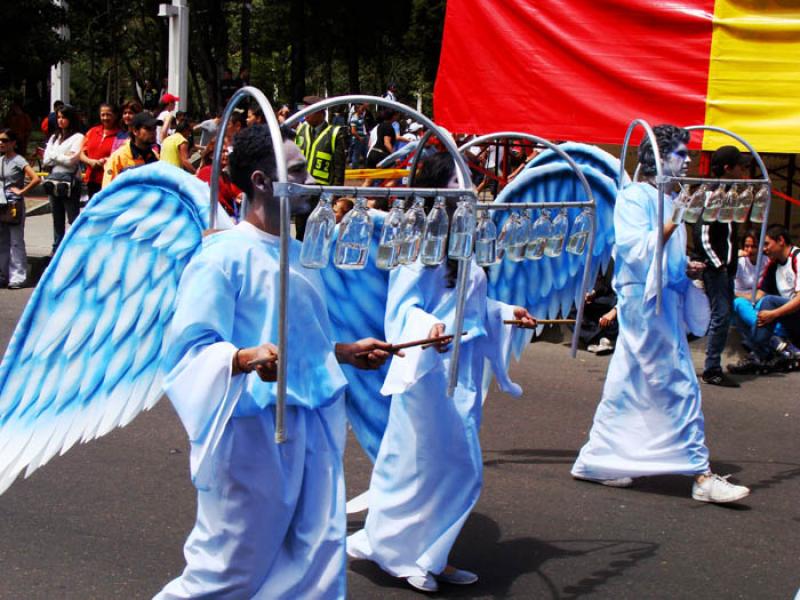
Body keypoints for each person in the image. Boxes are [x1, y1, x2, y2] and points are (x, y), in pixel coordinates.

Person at [155, 124, 393, 599]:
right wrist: (243, 358)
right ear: (262, 180)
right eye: (299, 170)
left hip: (315, 425)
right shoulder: (221, 257)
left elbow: (300, 342)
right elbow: (188, 351)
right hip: (254, 431)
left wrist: (345, 353)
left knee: (316, 558)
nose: (310, 181)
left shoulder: (300, 253)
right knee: (229, 567)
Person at [346, 152, 537, 593]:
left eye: (465, 179)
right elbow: (401, 312)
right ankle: (398, 552)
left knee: (443, 466)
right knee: (434, 464)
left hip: (461, 371)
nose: (464, 188)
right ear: (433, 190)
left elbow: (469, 307)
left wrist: (505, 312)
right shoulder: (417, 246)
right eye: (453, 181)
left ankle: (432, 553)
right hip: (428, 372)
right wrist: (425, 327)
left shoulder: (463, 238)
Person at [571, 124, 750, 504]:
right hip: (644, 304)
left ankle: (597, 460)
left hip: (663, 299)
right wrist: (676, 220)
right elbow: (636, 250)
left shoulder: (668, 199)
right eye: (681, 154)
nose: (686, 161)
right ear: (661, 158)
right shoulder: (634, 196)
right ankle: (700, 474)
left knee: (628, 381)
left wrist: (685, 268)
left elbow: (664, 254)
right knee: (679, 381)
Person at [691, 146, 750, 387]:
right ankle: (711, 368)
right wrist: (718, 264)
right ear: (728, 168)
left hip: (724, 267)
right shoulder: (712, 193)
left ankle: (710, 365)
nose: (744, 172)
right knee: (721, 314)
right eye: (740, 167)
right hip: (716, 268)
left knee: (722, 315)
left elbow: (728, 234)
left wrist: (730, 264)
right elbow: (701, 232)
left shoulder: (728, 193)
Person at [729, 224, 800, 373]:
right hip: (786, 317)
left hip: (794, 316)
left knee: (768, 302)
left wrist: (774, 314)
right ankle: (777, 346)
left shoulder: (797, 258)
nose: (764, 249)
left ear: (780, 240)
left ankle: (759, 353)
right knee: (740, 304)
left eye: (766, 244)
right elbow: (759, 294)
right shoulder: (774, 265)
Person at [294, 95, 346, 239]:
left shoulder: (334, 133)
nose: (305, 115)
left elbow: (339, 167)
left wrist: (336, 193)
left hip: (321, 193)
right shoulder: (301, 130)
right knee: (300, 231)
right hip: (302, 188)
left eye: (309, 111)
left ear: (321, 112)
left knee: (318, 233)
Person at [0, 129, 40, 289]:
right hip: (1, 203)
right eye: (0, 140)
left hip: (14, 204)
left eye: (5, 140)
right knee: (2, 241)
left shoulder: (19, 160)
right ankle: (3, 274)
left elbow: (36, 178)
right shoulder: (1, 160)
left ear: (13, 143)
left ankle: (18, 276)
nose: (2, 143)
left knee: (15, 241)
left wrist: (22, 191)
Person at [42, 104, 85, 253]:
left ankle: (75, 248)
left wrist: (54, 156)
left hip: (70, 183)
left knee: (73, 217)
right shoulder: (54, 137)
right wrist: (59, 156)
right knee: (57, 218)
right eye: (59, 117)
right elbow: (46, 160)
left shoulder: (78, 137)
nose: (60, 120)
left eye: (64, 117)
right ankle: (57, 248)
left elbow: (72, 160)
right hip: (53, 181)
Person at [102, 111, 160, 187]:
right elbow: (107, 191)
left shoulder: (155, 156)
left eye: (154, 128)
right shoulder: (118, 158)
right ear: (135, 131)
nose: (153, 132)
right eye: (148, 129)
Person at [79, 103, 121, 199]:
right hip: (91, 180)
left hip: (110, 180)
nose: (105, 118)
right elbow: (81, 153)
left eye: (108, 114)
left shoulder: (121, 136)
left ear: (115, 115)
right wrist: (90, 161)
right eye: (103, 115)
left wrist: (106, 161)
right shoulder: (92, 131)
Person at [195, 138, 241, 218]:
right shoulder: (206, 172)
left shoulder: (224, 175)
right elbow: (213, 200)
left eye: (227, 151)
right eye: (223, 151)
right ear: (212, 155)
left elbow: (236, 192)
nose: (226, 154)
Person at [734, 229, 759, 298]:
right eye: (747, 246)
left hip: (758, 298)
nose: (750, 250)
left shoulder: (766, 261)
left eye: (754, 247)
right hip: (738, 298)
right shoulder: (739, 261)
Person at [348, 103, 368, 168]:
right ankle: (354, 168)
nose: (362, 110)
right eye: (361, 108)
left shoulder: (361, 116)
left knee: (365, 154)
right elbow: (353, 131)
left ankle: (366, 167)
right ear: (357, 109)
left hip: (363, 138)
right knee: (356, 155)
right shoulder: (354, 118)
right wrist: (359, 138)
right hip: (357, 139)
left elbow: (365, 108)